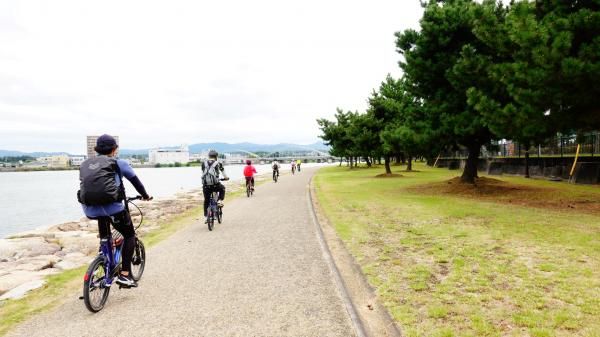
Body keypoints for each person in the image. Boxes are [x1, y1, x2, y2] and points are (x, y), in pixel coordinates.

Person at [79, 134, 152, 288]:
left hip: (90, 209)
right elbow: (136, 183)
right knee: (129, 234)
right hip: (114, 208)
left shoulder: (86, 164)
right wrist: (145, 196)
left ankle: (104, 257)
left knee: (105, 234)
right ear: (114, 149)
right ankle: (125, 274)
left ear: (95, 149)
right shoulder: (119, 163)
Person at [201, 150, 228, 223]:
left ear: (209, 156)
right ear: (216, 156)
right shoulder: (218, 163)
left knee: (206, 200)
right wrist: (226, 178)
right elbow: (223, 172)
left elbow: (203, 173)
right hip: (215, 185)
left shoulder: (203, 163)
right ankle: (219, 200)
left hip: (206, 186)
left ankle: (206, 216)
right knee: (222, 188)